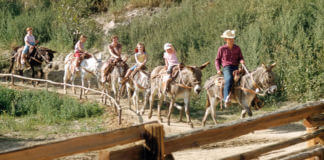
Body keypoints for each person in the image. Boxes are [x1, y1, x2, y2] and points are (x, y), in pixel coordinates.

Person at [215, 30, 245, 108]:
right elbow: (217, 60)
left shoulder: (237, 48)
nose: (232, 40)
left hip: (236, 67)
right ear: (225, 39)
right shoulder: (221, 49)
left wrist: (242, 61)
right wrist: (218, 69)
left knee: (246, 77)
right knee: (229, 79)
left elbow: (240, 57)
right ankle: (226, 99)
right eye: (229, 39)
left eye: (232, 38)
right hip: (227, 68)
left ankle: (252, 99)